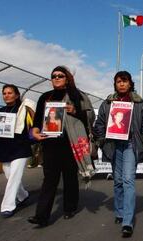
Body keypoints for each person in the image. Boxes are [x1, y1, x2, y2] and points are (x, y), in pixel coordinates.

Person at [28, 66, 95, 227]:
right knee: (49, 180)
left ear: (67, 79)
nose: (56, 78)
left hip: (70, 144)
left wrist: (74, 111)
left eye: (60, 76)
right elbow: (37, 121)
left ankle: (70, 207)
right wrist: (35, 131)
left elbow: (90, 116)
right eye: (53, 76)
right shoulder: (45, 97)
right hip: (50, 144)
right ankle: (41, 216)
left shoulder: (76, 96)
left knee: (70, 178)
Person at [93, 71, 143, 238]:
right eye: (118, 81)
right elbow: (99, 123)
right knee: (118, 181)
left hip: (130, 145)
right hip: (113, 145)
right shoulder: (107, 103)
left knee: (128, 180)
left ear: (130, 83)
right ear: (115, 84)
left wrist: (142, 139)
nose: (121, 84)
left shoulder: (139, 102)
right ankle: (119, 212)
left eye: (124, 81)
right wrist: (102, 138)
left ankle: (127, 221)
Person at [0, 84, 35, 217]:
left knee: (15, 176)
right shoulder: (0, 111)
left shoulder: (24, 109)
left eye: (10, 93)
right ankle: (23, 196)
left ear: (17, 95)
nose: (7, 95)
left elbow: (32, 124)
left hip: (20, 146)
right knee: (9, 175)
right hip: (5, 147)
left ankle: (7, 206)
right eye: (4, 93)